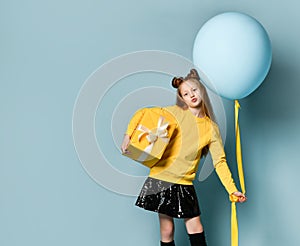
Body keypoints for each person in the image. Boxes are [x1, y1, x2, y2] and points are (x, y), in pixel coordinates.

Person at [121, 69, 247, 246]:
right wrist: (128, 136)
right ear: (183, 99)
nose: (192, 95)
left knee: (195, 227)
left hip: (184, 182)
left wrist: (232, 190)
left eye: (194, 90)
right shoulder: (175, 113)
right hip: (160, 179)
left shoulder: (211, 128)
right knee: (167, 230)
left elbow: (219, 162)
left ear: (202, 90)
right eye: (186, 94)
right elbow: (143, 113)